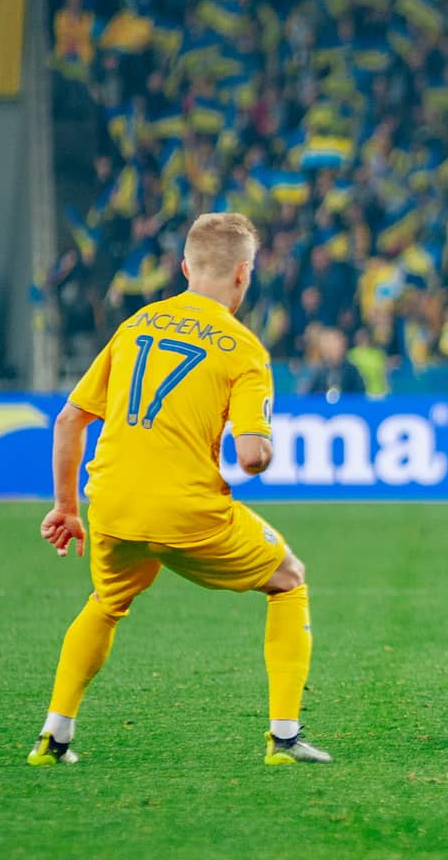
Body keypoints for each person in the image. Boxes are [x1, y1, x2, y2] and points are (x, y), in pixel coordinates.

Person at [29, 212, 331, 767]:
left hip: (113, 505)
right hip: (186, 512)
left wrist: (66, 509)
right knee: (289, 579)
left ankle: (54, 737)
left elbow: (70, 419)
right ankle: (285, 739)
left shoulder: (137, 324)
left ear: (186, 266)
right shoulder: (244, 351)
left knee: (106, 603)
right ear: (244, 275)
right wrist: (264, 447)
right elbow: (252, 457)